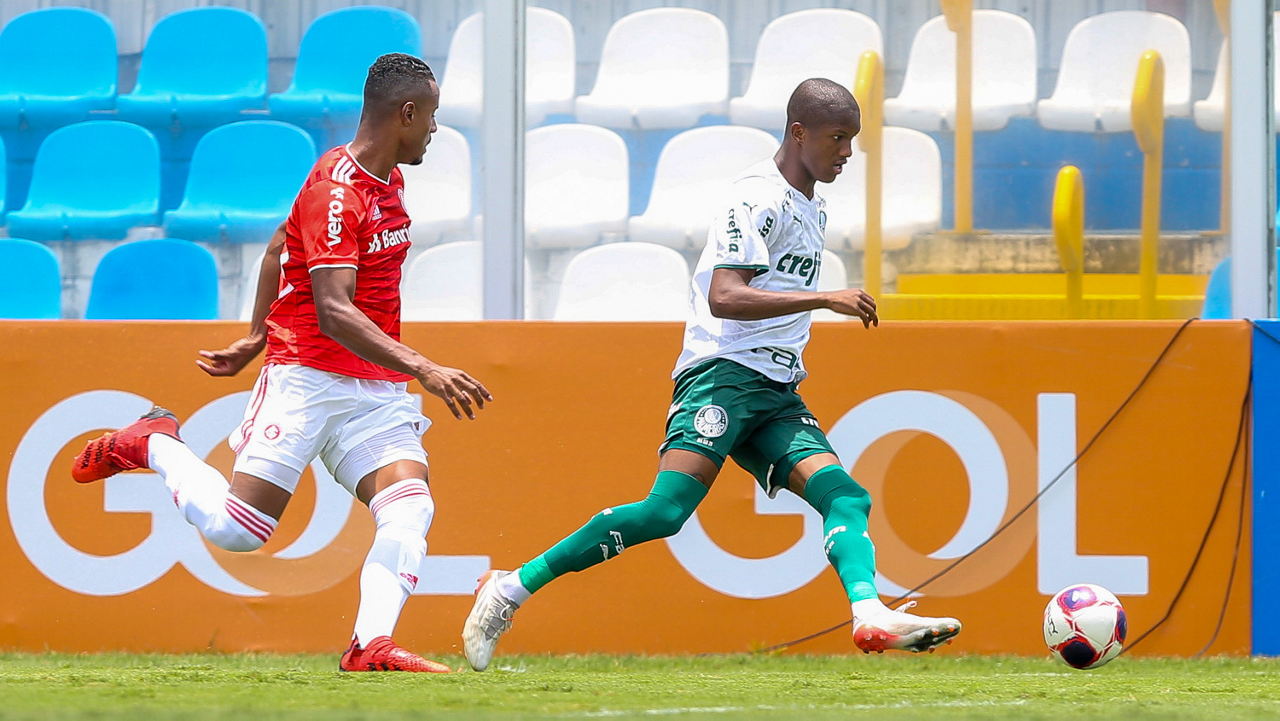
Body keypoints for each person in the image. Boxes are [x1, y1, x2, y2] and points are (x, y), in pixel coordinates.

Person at [462, 78, 961, 671]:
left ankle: (869, 614)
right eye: (837, 138)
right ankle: (509, 588)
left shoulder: (812, 206)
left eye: (852, 139)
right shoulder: (756, 198)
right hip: (723, 375)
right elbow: (725, 296)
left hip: (775, 390)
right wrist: (825, 297)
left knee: (846, 496)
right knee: (665, 512)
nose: (847, 152)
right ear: (799, 132)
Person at [71, 53, 492, 673]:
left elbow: (276, 247)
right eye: (430, 115)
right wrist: (425, 368)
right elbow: (333, 311)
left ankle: (369, 644)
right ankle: (154, 442)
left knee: (410, 505)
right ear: (406, 113)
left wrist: (251, 334)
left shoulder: (385, 181)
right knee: (239, 530)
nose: (434, 128)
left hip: (373, 387)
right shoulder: (337, 193)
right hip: (309, 375)